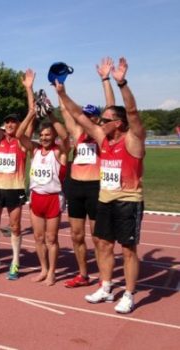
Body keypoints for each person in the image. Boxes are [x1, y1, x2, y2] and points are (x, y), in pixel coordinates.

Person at [55, 57, 145, 314]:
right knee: (103, 244)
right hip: (104, 199)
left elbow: (134, 113)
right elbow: (78, 115)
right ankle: (106, 286)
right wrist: (62, 92)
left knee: (128, 250)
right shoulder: (102, 140)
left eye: (105, 120)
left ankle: (129, 293)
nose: (100, 124)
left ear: (117, 123)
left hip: (128, 200)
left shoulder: (133, 138)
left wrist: (121, 83)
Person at [59, 57, 116, 288]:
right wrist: (60, 86)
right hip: (75, 187)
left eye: (92, 117)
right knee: (76, 235)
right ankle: (83, 274)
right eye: (85, 116)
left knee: (99, 238)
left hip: (96, 187)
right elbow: (66, 110)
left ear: (97, 119)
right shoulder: (77, 134)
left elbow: (111, 108)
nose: (87, 120)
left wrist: (105, 79)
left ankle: (105, 280)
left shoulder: (103, 135)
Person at [0, 69, 36, 280]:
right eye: (8, 122)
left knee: (15, 226)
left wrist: (28, 88)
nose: (10, 124)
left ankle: (15, 261)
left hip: (14, 189)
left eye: (14, 122)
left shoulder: (22, 143)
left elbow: (32, 111)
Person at [16, 106, 69, 286]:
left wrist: (50, 115)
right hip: (36, 198)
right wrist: (31, 113)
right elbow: (19, 134)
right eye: (42, 135)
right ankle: (44, 269)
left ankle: (52, 272)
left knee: (51, 239)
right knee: (38, 238)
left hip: (53, 199)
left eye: (48, 135)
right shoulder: (35, 150)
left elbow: (66, 137)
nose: (44, 138)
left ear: (53, 136)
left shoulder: (59, 152)